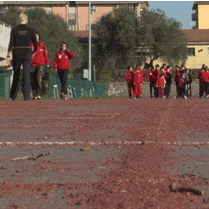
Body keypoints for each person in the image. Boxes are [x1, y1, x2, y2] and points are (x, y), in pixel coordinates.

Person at [7, 13, 38, 100]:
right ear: (26, 20)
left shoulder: (14, 30)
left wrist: (8, 56)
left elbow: (11, 43)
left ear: (18, 20)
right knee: (26, 75)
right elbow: (36, 44)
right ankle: (27, 97)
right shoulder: (31, 30)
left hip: (17, 53)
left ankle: (13, 96)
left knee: (16, 75)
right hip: (27, 53)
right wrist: (33, 52)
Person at [31, 32, 50, 100]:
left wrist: (47, 62)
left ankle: (39, 94)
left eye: (37, 36)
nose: (36, 37)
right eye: (35, 36)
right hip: (33, 64)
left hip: (41, 64)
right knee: (33, 79)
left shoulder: (42, 44)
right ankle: (34, 94)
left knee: (38, 78)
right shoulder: (31, 44)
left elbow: (45, 54)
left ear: (39, 37)